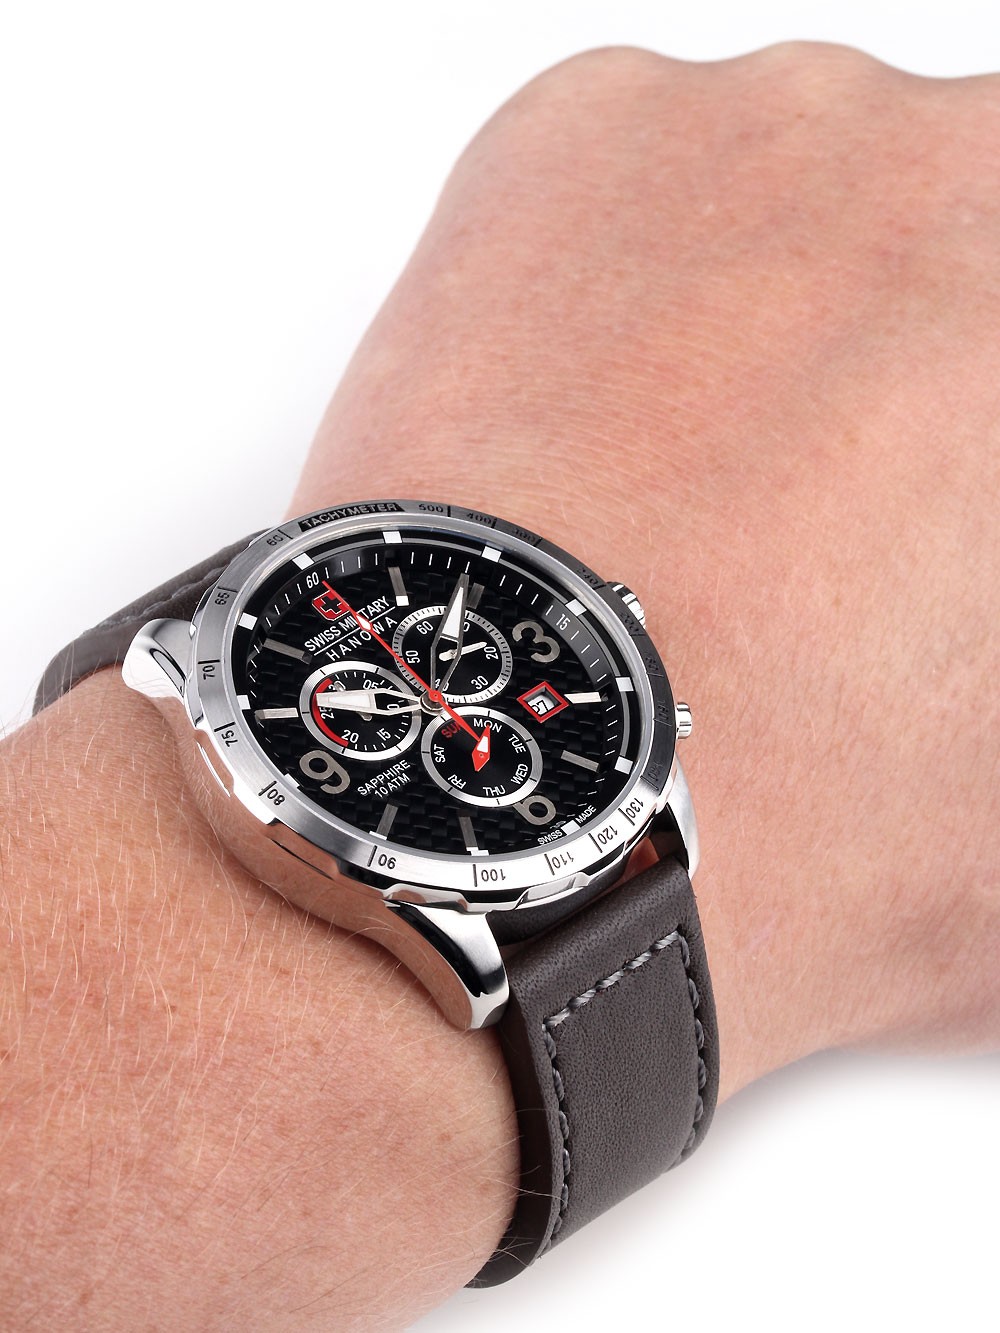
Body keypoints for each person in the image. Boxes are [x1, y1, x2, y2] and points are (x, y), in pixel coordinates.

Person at [1, 43, 997, 1329]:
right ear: (184, 678)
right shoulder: (195, 677)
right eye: (393, 692)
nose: (431, 696)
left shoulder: (622, 780)